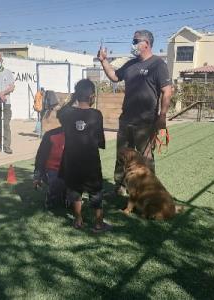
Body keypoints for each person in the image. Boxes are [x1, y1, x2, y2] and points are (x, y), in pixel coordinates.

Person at [97, 29, 172, 196]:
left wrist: (162, 116)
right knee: (122, 155)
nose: (133, 44)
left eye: (135, 41)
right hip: (125, 120)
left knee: (145, 158)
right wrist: (103, 61)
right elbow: (115, 77)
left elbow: (167, 91)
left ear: (146, 44)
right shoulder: (131, 64)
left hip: (145, 122)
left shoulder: (158, 65)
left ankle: (149, 190)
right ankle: (120, 187)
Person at [57, 79, 111, 233]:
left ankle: (78, 220)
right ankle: (99, 224)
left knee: (75, 190)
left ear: (76, 95)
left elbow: (60, 113)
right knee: (95, 191)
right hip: (90, 161)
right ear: (92, 96)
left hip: (71, 160)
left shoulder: (67, 114)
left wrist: (72, 99)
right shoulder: (96, 115)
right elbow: (100, 140)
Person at [33, 126, 66, 209]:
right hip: (53, 168)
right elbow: (40, 157)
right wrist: (37, 176)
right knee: (57, 183)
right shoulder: (50, 135)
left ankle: (68, 195)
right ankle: (51, 197)